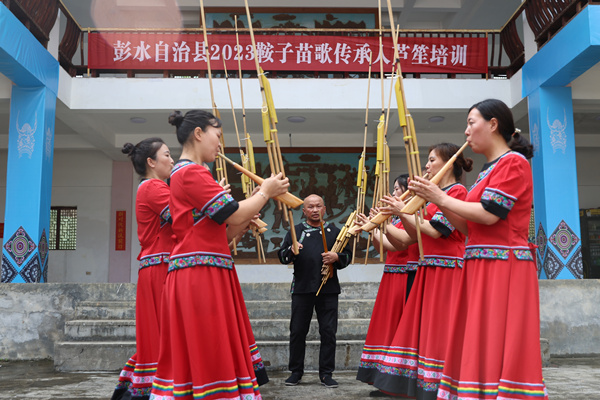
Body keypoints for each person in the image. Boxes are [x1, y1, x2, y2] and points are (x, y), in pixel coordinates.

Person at [408, 99, 548, 400]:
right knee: (479, 339)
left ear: (493, 124)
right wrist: (424, 200)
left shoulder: (513, 163)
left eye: (472, 123)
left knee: (498, 339)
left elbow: (489, 215)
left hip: (504, 266)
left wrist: (439, 198)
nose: (467, 131)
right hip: (481, 265)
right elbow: (468, 227)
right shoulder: (487, 171)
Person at [150, 110, 290, 400]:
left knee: (208, 345)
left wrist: (245, 217)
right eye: (217, 135)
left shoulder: (189, 173)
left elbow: (222, 228)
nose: (219, 144)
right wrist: (265, 191)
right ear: (199, 133)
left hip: (205, 268)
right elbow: (230, 212)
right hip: (199, 274)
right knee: (209, 346)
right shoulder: (191, 171)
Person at [367, 143, 472, 399]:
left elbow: (437, 231)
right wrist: (396, 214)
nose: (427, 165)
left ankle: (443, 384)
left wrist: (401, 210)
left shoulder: (456, 191)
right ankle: (421, 384)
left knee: (440, 329)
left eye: (432, 159)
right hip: (430, 267)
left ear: (449, 163)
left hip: (447, 268)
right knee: (425, 330)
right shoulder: (435, 194)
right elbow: (414, 236)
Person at [112, 138, 174, 400]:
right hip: (159, 268)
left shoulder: (157, 187)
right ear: (151, 162)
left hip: (161, 266)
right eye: (167, 155)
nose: (172, 160)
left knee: (165, 334)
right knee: (164, 335)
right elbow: (186, 216)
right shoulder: (153, 188)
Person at [277, 194, 352, 388]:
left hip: (328, 289)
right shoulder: (296, 232)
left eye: (319, 206)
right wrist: (292, 250)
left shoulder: (335, 232)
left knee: (328, 332)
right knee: (297, 331)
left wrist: (337, 256)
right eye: (310, 207)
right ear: (304, 211)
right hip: (302, 288)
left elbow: (347, 256)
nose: (315, 210)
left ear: (325, 208)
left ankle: (326, 374)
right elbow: (283, 257)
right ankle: (296, 372)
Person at [356, 174, 420, 391]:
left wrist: (378, 227)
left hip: (406, 274)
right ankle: (384, 378)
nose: (393, 194)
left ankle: (397, 379)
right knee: (388, 327)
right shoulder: (395, 217)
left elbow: (400, 244)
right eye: (393, 189)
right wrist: (373, 228)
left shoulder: (411, 213)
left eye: (397, 189)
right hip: (392, 273)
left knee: (400, 327)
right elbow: (383, 246)